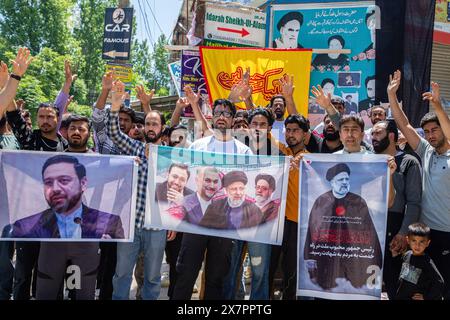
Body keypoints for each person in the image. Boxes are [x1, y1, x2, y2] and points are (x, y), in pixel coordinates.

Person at [172, 98, 252, 300]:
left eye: (226, 113)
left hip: (225, 227)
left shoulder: (244, 152)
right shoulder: (198, 146)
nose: (222, 117)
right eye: (218, 113)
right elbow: (183, 180)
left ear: (233, 119)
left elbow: (248, 189)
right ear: (212, 116)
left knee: (216, 279)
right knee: (185, 275)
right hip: (195, 223)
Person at [388, 70, 450, 299]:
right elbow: (404, 125)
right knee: (418, 291)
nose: (431, 135)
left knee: (444, 287)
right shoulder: (425, 151)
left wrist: (437, 107)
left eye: (435, 130)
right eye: (427, 132)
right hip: (423, 235)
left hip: (447, 234)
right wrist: (392, 96)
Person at [108, 81, 171, 300]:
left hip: (157, 225)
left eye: (155, 124)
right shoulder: (133, 147)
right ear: (143, 127)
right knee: (122, 274)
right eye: (148, 123)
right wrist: (115, 105)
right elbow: (114, 133)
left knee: (153, 277)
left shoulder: (170, 155)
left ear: (162, 128)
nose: (151, 127)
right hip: (129, 225)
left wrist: (173, 221)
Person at [304, 163, 383, 290]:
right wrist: (309, 259)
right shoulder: (321, 201)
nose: (345, 182)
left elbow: (369, 231)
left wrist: (375, 262)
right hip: (326, 260)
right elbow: (312, 231)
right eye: (341, 180)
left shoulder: (358, 201)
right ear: (332, 182)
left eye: (347, 179)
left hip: (352, 260)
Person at [10, 155, 124, 239]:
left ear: (83, 183)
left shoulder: (109, 223)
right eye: (48, 182)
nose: (55, 189)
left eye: (64, 180)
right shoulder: (25, 227)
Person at [371, 119, 422, 299]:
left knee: (396, 285)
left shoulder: (409, 162)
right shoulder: (367, 159)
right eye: (372, 134)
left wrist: (403, 233)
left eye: (378, 133)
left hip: (395, 229)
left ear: (391, 136)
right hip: (370, 229)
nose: (373, 137)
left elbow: (414, 202)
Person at [395, 223, 444, 300]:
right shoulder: (406, 255)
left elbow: (439, 283)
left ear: (427, 243)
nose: (417, 245)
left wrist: (426, 296)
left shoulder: (427, 262)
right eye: (414, 241)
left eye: (421, 242)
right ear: (408, 240)